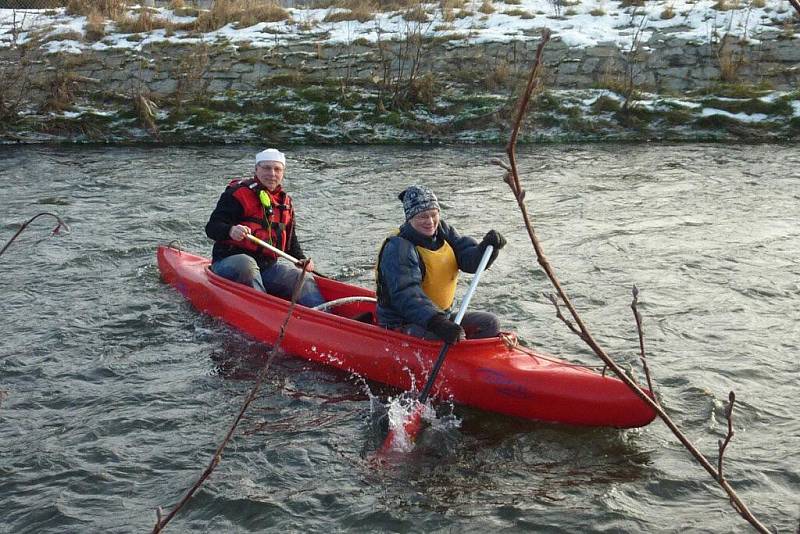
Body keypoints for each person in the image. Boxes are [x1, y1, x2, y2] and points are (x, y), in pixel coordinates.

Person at [375, 185, 506, 343]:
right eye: (422, 216)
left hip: (438, 317)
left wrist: (487, 248)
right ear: (409, 219)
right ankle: (459, 358)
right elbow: (407, 294)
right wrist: (438, 323)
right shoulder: (399, 248)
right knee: (442, 337)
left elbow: (470, 260)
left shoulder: (444, 232)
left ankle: (470, 357)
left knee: (490, 323)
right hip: (404, 323)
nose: (430, 221)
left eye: (433, 214)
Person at [204, 148, 325, 308]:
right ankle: (264, 311)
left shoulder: (285, 202)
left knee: (301, 278)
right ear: (256, 169)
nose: (272, 173)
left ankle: (325, 315)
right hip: (229, 262)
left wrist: (301, 259)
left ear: (283, 172)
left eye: (277, 169)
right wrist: (231, 230)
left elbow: (290, 240)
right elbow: (212, 228)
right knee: (246, 265)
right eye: (266, 168)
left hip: (267, 266)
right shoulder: (237, 194)